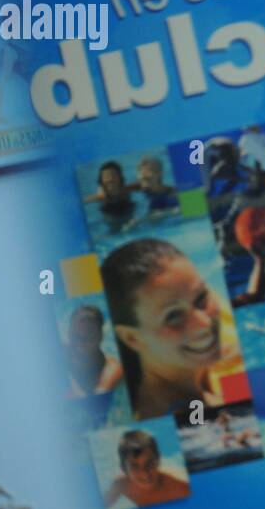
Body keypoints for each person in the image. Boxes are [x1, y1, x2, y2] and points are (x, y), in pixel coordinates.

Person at [101, 238, 231, 421]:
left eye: (201, 297)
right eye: (173, 316)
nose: (204, 323)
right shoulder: (171, 416)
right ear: (132, 338)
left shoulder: (195, 365)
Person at [103, 430, 189, 509]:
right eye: (135, 466)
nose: (145, 474)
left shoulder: (180, 489)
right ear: (124, 469)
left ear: (158, 461)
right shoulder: (121, 485)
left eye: (149, 463)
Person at [64, 304, 123, 398]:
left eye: (88, 337)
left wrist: (64, 371)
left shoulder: (112, 368)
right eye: (75, 336)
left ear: (100, 337)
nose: (80, 344)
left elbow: (96, 402)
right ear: (69, 333)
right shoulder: (64, 350)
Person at [83, 161, 137, 233]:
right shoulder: (101, 196)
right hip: (111, 217)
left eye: (113, 175)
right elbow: (84, 201)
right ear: (101, 181)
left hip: (128, 212)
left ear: (120, 178)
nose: (110, 179)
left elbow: (141, 184)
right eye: (106, 177)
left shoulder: (126, 190)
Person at [134, 156, 180, 220]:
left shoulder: (176, 192)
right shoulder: (140, 199)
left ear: (159, 174)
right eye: (140, 171)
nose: (143, 175)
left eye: (148, 170)